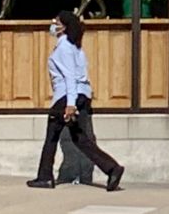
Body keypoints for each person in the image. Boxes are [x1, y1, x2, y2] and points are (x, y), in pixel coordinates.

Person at [27, 10, 125, 190]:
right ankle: (112, 168)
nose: (53, 24)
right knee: (81, 139)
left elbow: (70, 76)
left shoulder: (64, 47)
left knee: (52, 136)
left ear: (63, 26)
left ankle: (45, 176)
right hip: (81, 95)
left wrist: (70, 104)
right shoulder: (75, 47)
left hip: (66, 96)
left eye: (55, 21)